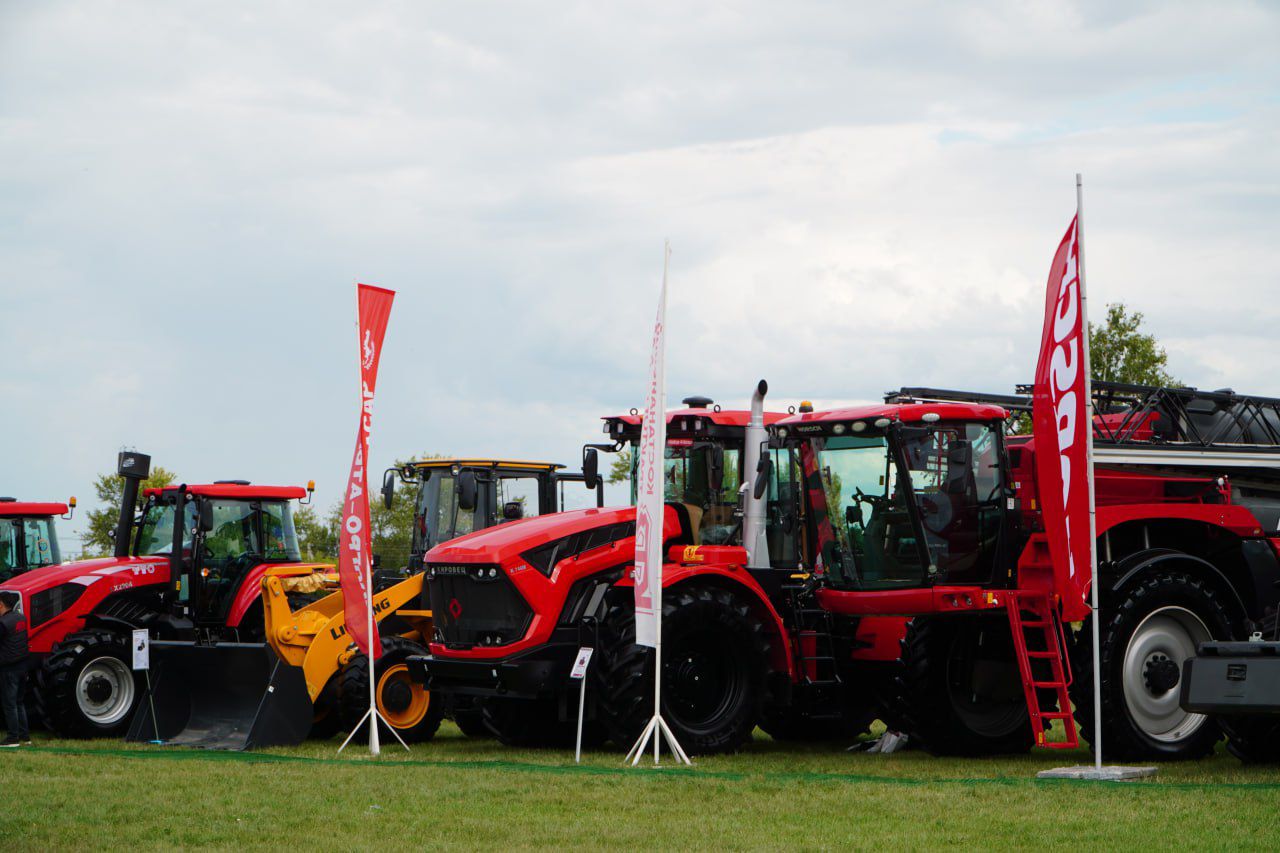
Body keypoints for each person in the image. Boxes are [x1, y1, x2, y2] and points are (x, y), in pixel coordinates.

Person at [0, 590, 31, 747]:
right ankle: (25, 736)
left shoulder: (3, 623)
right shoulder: (21, 618)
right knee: (19, 702)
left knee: (9, 703)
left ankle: (13, 738)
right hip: (23, 665)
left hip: (9, 668)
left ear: (1, 604)